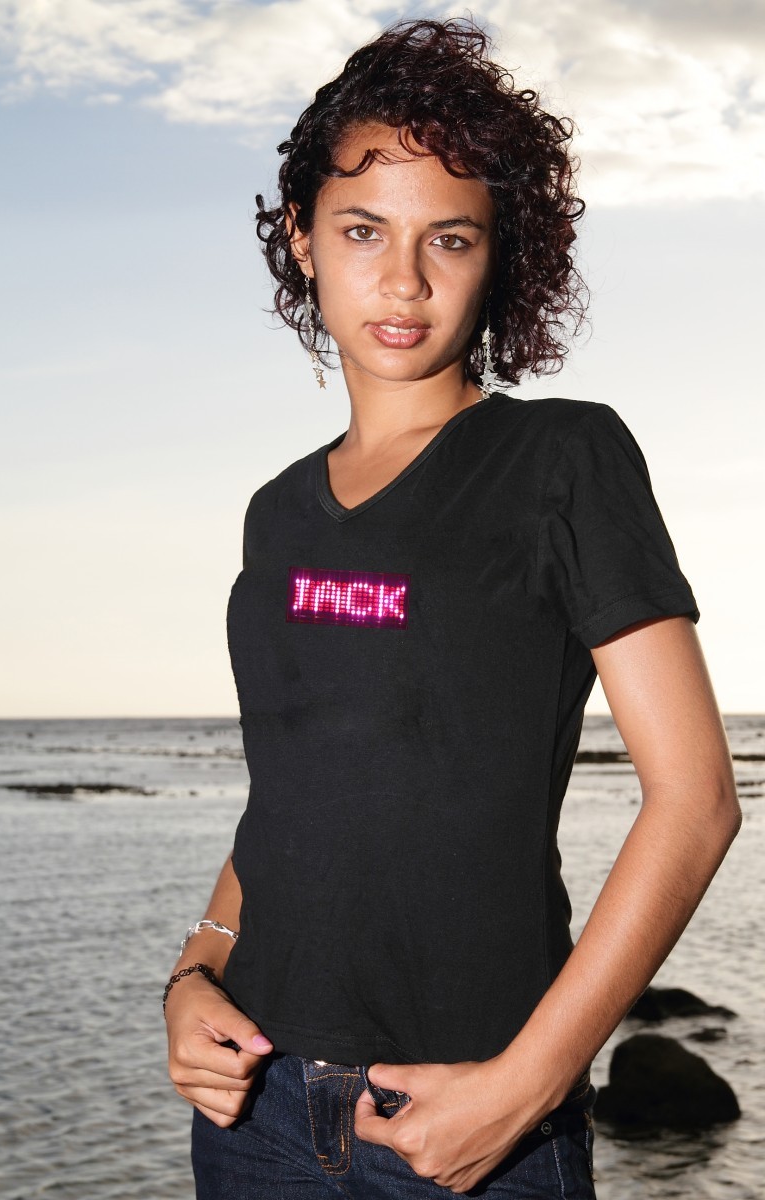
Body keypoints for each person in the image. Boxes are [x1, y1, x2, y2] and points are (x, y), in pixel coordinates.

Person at [164, 18, 741, 1199]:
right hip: (252, 1115)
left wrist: (526, 1085)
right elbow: (294, 793)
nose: (403, 281)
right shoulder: (276, 513)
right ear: (301, 237)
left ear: (495, 256)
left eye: (449, 238)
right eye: (362, 230)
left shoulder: (561, 461)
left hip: (467, 1123)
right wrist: (193, 973)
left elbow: (695, 802)